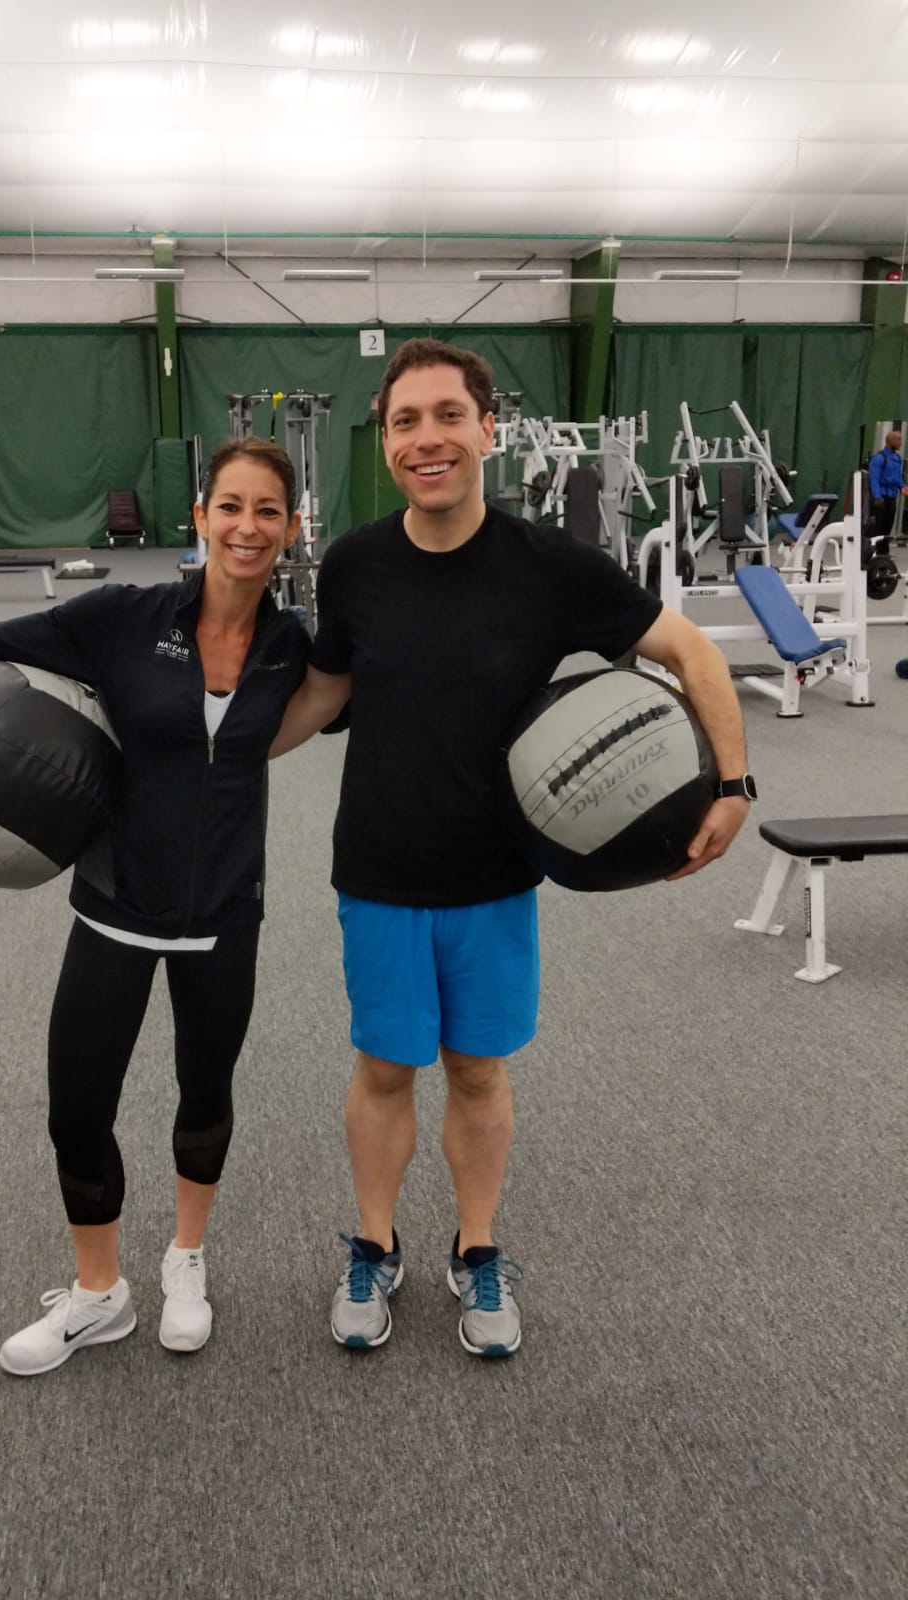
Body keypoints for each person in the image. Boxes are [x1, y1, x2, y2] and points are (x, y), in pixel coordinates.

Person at [271, 338, 754, 1358]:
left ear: (487, 429)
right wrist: (219, 753)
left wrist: (733, 780)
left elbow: (689, 649)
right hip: (381, 867)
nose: (428, 439)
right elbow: (322, 691)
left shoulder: (549, 566)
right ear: (386, 441)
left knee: (478, 1071)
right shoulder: (354, 565)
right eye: (406, 421)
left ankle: (478, 1249)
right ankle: (374, 1244)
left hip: (497, 874)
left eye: (449, 415)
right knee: (384, 1069)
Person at [0, 438, 309, 1374]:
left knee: (205, 1097)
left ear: (292, 527)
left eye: (268, 510)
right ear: (201, 517)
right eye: (231, 506)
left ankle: (186, 1261)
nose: (248, 526)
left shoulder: (291, 648)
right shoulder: (125, 618)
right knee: (76, 1110)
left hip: (225, 913)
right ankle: (99, 1293)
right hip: (115, 904)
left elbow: (388, 688)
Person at [867, 430, 908, 541]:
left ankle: (883, 549)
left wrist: (903, 486)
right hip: (880, 498)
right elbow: (874, 479)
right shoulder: (879, 458)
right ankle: (871, 548)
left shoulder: (897, 458)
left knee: (887, 527)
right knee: (876, 527)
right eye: (898, 440)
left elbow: (897, 477)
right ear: (890, 441)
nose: (901, 443)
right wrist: (877, 497)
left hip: (891, 498)